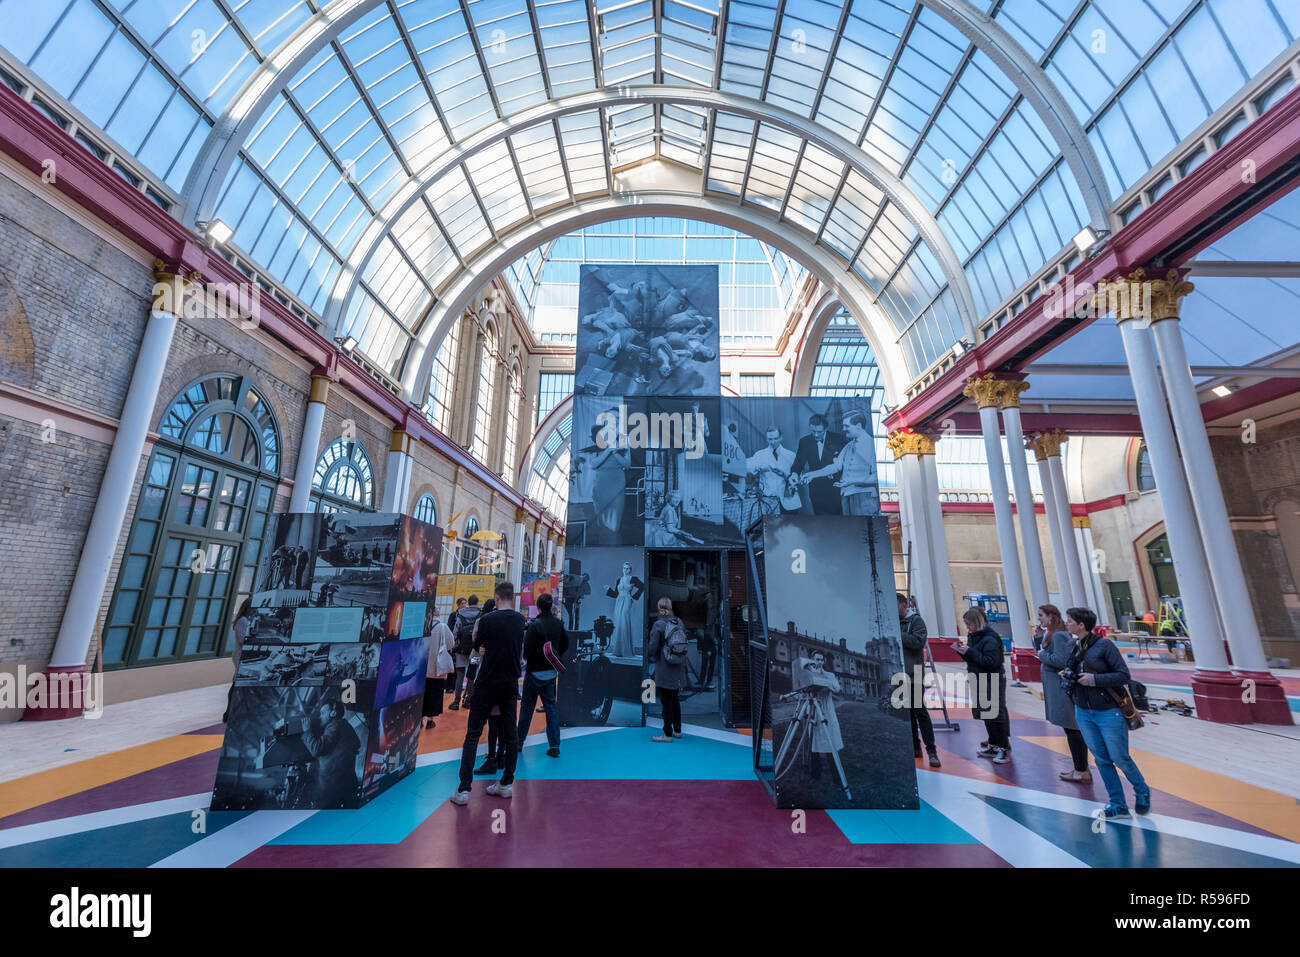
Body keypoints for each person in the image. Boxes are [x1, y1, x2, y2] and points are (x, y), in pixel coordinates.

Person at [1065, 606, 1150, 818]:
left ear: (1081, 624)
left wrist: (1095, 680)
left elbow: (1123, 675)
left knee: (1120, 757)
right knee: (1101, 759)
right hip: (1083, 710)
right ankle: (1118, 803)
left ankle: (1141, 790)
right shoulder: (1073, 646)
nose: (1066, 623)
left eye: (1069, 620)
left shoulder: (1104, 645)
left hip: (1107, 710)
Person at [451, 582, 526, 805]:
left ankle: (464, 789)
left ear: (496, 596)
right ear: (511, 597)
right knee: (510, 733)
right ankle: (506, 783)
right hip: (510, 683)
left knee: (473, 734)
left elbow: (477, 643)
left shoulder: (486, 621)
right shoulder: (520, 620)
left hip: (487, 682)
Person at [1035, 604, 1090, 783]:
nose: (1039, 619)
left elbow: (1061, 660)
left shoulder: (1059, 635)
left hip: (1061, 688)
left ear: (1051, 616)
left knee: (1072, 728)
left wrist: (1041, 655)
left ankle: (1081, 769)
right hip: (1056, 686)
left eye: (1041, 615)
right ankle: (1080, 768)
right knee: (1070, 728)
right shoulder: (1053, 634)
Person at [953, 607, 1010, 764]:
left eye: (968, 624)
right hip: (978, 679)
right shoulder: (974, 637)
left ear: (976, 622)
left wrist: (970, 652)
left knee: (995, 714)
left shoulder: (990, 639)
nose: (967, 627)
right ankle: (993, 744)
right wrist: (963, 652)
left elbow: (991, 662)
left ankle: (1003, 748)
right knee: (986, 714)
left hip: (991, 680)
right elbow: (975, 658)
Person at [798, 410, 879, 515]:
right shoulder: (849, 446)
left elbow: (876, 476)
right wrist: (812, 474)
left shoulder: (872, 445)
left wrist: (853, 482)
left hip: (864, 497)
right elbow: (836, 466)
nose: (843, 429)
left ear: (858, 425)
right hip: (846, 495)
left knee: (863, 530)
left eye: (847, 426)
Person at [518, 593, 568, 758]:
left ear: (538, 607)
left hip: (534, 672)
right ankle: (554, 745)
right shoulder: (558, 623)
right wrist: (555, 655)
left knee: (527, 708)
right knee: (551, 708)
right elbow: (566, 643)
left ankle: (519, 743)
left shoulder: (534, 625)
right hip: (550, 672)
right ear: (551, 607)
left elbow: (527, 651)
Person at [898, 592, 940, 768]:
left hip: (913, 675)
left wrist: (898, 634)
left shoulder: (916, 622)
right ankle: (914, 746)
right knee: (906, 713)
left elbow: (918, 642)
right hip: (898, 676)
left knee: (919, 711)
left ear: (903, 605)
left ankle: (931, 750)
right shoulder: (898, 623)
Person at [302, 697, 361, 809]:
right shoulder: (345, 726)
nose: (320, 717)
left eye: (323, 713)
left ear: (333, 713)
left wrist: (307, 731)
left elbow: (316, 748)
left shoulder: (335, 726)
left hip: (332, 788)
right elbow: (357, 744)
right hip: (348, 785)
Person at [647, 597, 687, 741]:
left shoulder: (658, 625)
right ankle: (677, 730)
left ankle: (667, 733)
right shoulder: (679, 622)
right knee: (675, 699)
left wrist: (649, 655)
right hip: (678, 666)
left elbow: (652, 647)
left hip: (664, 666)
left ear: (659, 608)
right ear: (671, 607)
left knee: (666, 701)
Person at [791, 414, 847, 515]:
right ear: (810, 427)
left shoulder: (839, 439)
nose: (816, 435)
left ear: (826, 428)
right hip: (816, 488)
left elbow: (844, 465)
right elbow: (798, 463)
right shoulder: (804, 442)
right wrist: (794, 474)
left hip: (835, 487)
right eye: (813, 431)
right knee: (819, 519)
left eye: (819, 432)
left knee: (837, 519)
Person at [803, 651, 844, 779]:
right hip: (814, 710)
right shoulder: (808, 674)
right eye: (817, 659)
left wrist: (824, 681)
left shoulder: (830, 675)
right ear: (812, 660)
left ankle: (836, 775)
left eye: (821, 660)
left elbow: (837, 689)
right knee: (814, 741)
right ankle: (816, 773)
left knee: (831, 742)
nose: (819, 662)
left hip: (827, 711)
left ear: (824, 661)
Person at [746, 427, 801, 513]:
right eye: (770, 439)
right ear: (766, 439)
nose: (773, 442)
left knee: (789, 525)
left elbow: (798, 478)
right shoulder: (760, 455)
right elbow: (746, 467)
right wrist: (759, 467)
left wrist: (785, 475)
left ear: (781, 437)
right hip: (768, 500)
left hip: (789, 500)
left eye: (776, 438)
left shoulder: (791, 455)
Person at [448, 595, 481, 710]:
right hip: (475, 651)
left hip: (461, 650)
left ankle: (456, 701)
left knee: (460, 675)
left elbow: (455, 633)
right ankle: (468, 700)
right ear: (477, 602)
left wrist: (455, 646)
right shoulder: (480, 615)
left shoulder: (460, 615)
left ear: (468, 603)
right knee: (472, 674)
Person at [423, 613, 455, 730]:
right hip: (437, 668)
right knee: (434, 694)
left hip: (422, 667)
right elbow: (451, 644)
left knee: (422, 693)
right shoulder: (442, 626)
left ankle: (420, 719)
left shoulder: (422, 625)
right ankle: (430, 721)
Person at [223, 598, 253, 724]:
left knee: (238, 684)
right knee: (237, 684)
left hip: (243, 656)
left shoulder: (246, 620)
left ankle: (231, 713)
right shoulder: (242, 621)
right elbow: (242, 640)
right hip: (241, 656)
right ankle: (229, 714)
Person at [606, 561, 645, 656]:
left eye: (627, 568)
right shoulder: (619, 579)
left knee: (624, 621)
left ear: (630, 570)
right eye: (624, 568)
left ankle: (626, 650)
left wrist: (634, 597)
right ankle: (618, 650)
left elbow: (643, 586)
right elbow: (616, 594)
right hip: (618, 601)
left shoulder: (633, 579)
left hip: (627, 600)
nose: (625, 570)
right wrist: (608, 589)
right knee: (618, 623)